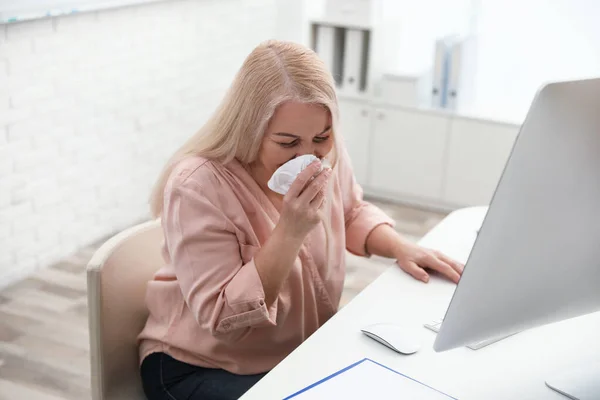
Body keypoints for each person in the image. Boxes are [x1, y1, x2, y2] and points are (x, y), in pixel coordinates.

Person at [137, 40, 463, 400]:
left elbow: (350, 211)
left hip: (296, 354)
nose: (307, 156)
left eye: (320, 138)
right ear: (249, 129)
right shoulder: (198, 186)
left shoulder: (326, 153)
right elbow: (222, 318)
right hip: (200, 365)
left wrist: (400, 247)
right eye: (288, 142)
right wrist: (289, 232)